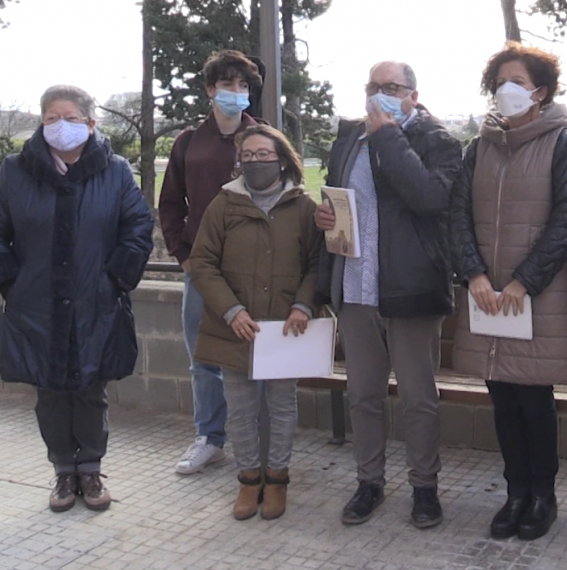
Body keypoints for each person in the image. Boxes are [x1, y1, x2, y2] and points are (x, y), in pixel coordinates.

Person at [0, 85, 154, 513]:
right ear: (41, 123)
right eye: (52, 118)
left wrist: (115, 279)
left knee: (91, 388)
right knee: (50, 392)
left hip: (95, 302)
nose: (61, 126)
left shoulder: (114, 171)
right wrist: (8, 281)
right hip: (36, 305)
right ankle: (62, 472)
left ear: (90, 124)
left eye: (71, 118)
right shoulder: (16, 170)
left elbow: (137, 228)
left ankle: (90, 471)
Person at [449, 42, 567, 542]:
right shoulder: (479, 146)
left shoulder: (565, 145)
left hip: (536, 296)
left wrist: (523, 281)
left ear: (541, 90)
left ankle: (542, 495)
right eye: (500, 81)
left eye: (516, 81)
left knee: (534, 399)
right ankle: (514, 492)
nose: (506, 90)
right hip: (486, 294)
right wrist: (474, 275)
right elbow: (458, 216)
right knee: (501, 396)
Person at [314, 61, 463, 529]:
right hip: (356, 288)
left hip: (411, 288)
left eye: (391, 87)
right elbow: (342, 202)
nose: (380, 93)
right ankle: (369, 481)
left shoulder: (438, 141)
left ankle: (424, 487)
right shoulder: (348, 141)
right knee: (363, 394)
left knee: (419, 396)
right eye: (373, 86)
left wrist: (388, 136)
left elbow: (429, 199)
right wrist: (327, 218)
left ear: (413, 95)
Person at [189, 125, 322, 520]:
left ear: (282, 159)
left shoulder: (304, 207)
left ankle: (278, 479)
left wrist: (303, 305)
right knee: (241, 408)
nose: (256, 161)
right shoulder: (224, 205)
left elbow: (316, 265)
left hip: (284, 328)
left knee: (281, 407)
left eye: (264, 154)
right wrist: (231, 310)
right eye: (248, 155)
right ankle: (248, 480)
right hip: (235, 328)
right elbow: (203, 263)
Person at [158, 50, 263, 476]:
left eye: (242, 86)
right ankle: (209, 437)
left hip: (254, 269)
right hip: (201, 270)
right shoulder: (188, 143)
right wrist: (184, 257)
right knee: (202, 357)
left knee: (252, 355)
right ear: (209, 90)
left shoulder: (264, 139)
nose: (235, 93)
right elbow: (169, 205)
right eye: (227, 85)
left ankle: (254, 440)